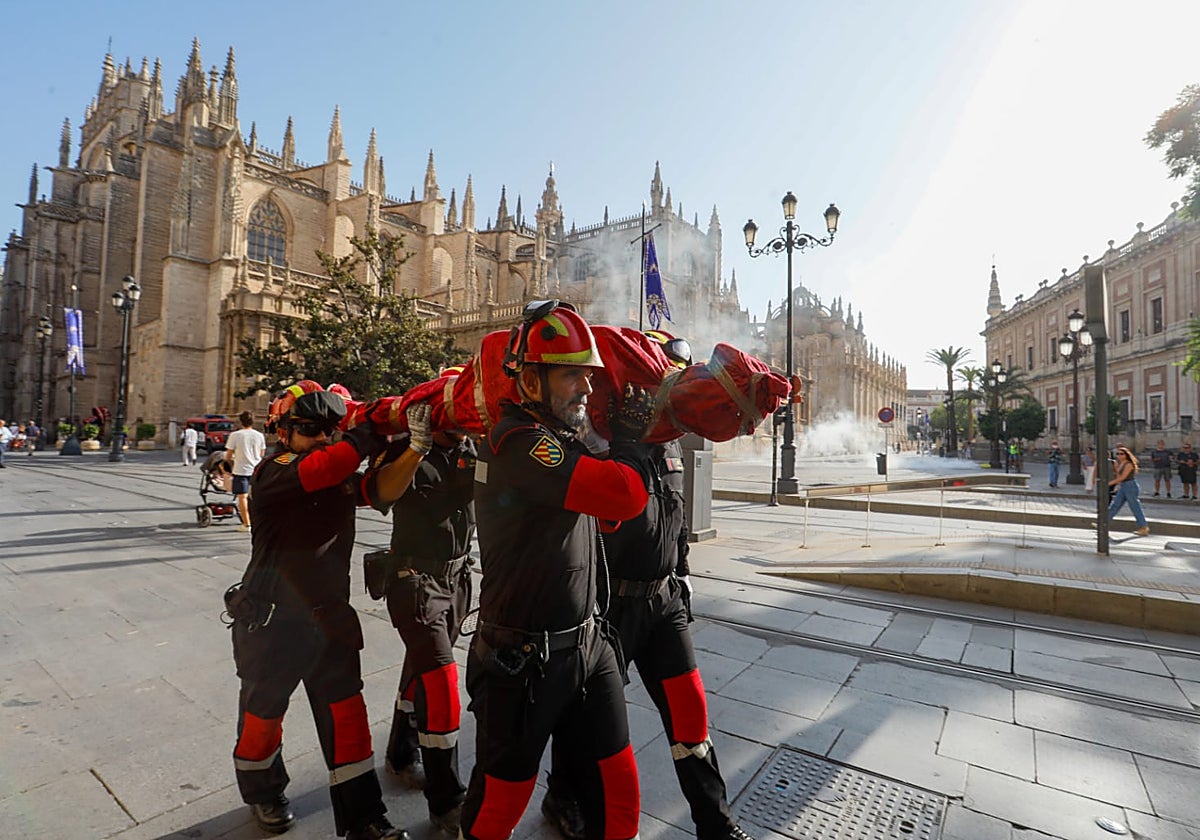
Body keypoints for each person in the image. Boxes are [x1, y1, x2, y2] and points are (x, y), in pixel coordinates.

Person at [550, 330, 753, 840]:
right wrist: (624, 441)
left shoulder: (666, 447)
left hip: (665, 602)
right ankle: (562, 795)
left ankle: (717, 824)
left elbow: (672, 520)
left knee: (691, 717)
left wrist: (679, 577)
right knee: (587, 719)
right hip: (612, 605)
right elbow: (612, 508)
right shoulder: (601, 445)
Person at [462, 300, 649, 840]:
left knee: (619, 790)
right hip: (525, 656)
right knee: (501, 803)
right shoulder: (518, 443)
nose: (587, 390)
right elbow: (623, 495)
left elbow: (604, 518)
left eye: (589, 377)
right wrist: (631, 444)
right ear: (530, 381)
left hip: (588, 645)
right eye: (573, 376)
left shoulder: (562, 439)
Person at [225, 380, 411, 840]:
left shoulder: (333, 470)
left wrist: (412, 445)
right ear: (283, 431)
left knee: (349, 722)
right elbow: (333, 463)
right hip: (272, 623)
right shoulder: (276, 470)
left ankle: (365, 818)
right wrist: (363, 432)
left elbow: (382, 490)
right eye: (310, 428)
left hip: (329, 618)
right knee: (262, 719)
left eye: (331, 429)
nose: (323, 437)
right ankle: (263, 791)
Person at [362, 392, 476, 835]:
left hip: (457, 580)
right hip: (415, 583)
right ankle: (448, 802)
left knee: (419, 671)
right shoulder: (406, 449)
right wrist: (417, 447)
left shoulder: (472, 449)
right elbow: (380, 494)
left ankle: (400, 753)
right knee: (443, 684)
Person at [225, 410, 267, 533]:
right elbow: (262, 453)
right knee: (256, 497)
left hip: (241, 470)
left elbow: (228, 455)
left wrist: (230, 461)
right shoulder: (259, 435)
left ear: (241, 421)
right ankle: (258, 521)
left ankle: (246, 524)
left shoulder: (236, 435)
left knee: (242, 497)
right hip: (256, 470)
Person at [1106, 445, 1150, 536]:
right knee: (1115, 505)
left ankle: (1143, 527)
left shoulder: (1128, 464)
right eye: (1117, 454)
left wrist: (1110, 483)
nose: (1119, 455)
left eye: (1121, 454)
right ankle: (1104, 523)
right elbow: (1118, 476)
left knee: (1135, 507)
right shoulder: (1120, 463)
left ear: (1126, 455)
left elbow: (1123, 477)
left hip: (1130, 486)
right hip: (1123, 486)